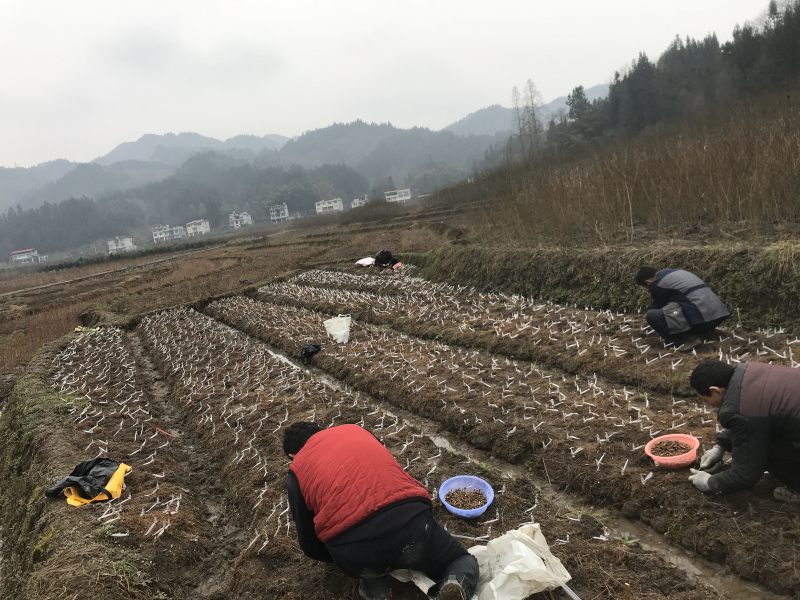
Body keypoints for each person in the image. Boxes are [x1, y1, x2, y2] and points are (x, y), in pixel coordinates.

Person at [283, 422, 479, 600]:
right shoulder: (356, 430)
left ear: (293, 454)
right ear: (322, 430)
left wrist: (338, 555)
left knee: (368, 563)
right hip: (411, 522)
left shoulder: (297, 469)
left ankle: (374, 584)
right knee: (459, 559)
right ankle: (456, 583)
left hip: (355, 548)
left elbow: (309, 544)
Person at [687, 360, 800, 503]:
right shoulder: (748, 371)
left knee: (761, 449)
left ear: (715, 390)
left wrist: (710, 482)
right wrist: (720, 445)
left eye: (705, 399)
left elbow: (746, 474)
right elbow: (753, 420)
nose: (706, 404)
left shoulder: (742, 409)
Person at [635, 266, 730, 346]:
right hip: (719, 314)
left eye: (645, 287)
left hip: (703, 320)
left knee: (652, 315)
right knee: (676, 307)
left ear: (647, 282)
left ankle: (684, 341)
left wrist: (652, 325)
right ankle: (704, 334)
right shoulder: (674, 272)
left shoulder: (657, 285)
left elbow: (658, 308)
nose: (648, 290)